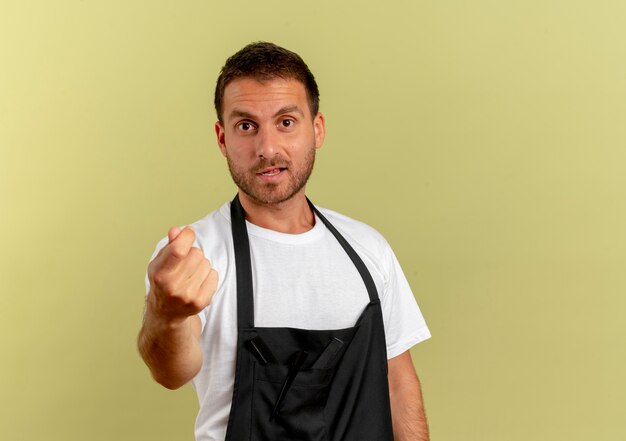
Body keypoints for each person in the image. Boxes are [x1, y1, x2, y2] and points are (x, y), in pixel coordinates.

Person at [138, 42, 431, 441]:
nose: (268, 148)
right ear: (222, 139)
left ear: (318, 129)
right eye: (246, 126)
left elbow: (399, 385)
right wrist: (165, 314)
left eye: (286, 122)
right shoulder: (193, 257)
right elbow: (170, 373)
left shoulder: (368, 250)